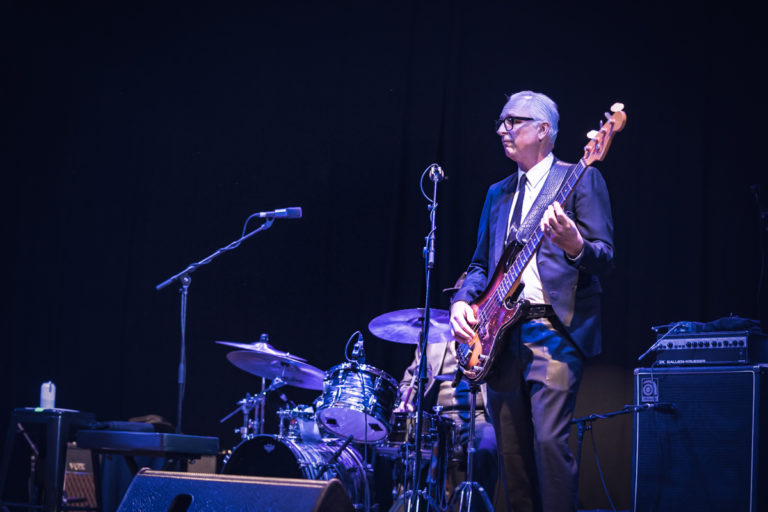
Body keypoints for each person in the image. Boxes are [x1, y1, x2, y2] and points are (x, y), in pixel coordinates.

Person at [449, 90, 614, 512]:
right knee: (513, 457)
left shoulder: (580, 177)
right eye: (501, 122)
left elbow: (604, 255)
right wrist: (462, 302)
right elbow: (480, 265)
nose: (502, 130)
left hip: (552, 330)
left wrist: (575, 244)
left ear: (543, 130)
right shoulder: (497, 194)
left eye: (513, 121)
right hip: (498, 337)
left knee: (549, 445)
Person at [395, 274, 498, 508]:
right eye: (457, 298)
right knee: (408, 445)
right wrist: (406, 400)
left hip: (479, 417)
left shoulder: (493, 335)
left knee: (487, 446)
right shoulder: (434, 338)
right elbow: (410, 381)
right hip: (437, 419)